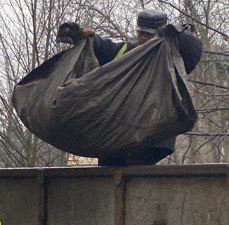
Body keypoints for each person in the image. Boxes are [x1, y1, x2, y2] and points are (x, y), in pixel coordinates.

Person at [56, 9, 203, 166]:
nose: (144, 39)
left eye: (150, 35)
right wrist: (83, 36)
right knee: (111, 167)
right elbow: (102, 47)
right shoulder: (125, 52)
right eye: (142, 34)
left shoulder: (170, 57)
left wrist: (174, 34)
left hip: (152, 137)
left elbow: (193, 48)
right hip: (119, 135)